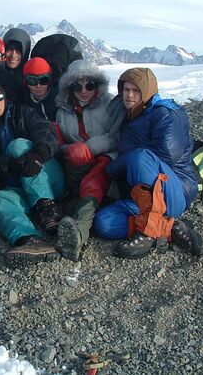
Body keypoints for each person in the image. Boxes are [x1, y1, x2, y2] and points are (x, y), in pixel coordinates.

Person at [93, 68, 203, 258]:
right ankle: (168, 227)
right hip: (142, 198)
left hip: (174, 190)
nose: (129, 95)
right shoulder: (130, 115)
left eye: (136, 91)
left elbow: (166, 155)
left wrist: (116, 166)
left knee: (139, 157)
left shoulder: (166, 114)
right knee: (103, 223)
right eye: (126, 89)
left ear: (147, 92)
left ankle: (147, 233)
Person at [0, 82, 65, 266]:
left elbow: (45, 132)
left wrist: (37, 156)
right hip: (19, 186)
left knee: (18, 145)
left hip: (49, 179)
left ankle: (48, 208)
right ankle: (29, 239)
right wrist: (13, 166)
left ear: (5, 99)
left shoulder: (24, 113)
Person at [54, 60, 125, 261]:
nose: (84, 91)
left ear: (97, 85)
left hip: (105, 159)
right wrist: (75, 150)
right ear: (70, 87)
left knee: (95, 179)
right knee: (78, 155)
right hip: (76, 165)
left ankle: (79, 231)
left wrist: (91, 148)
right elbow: (59, 144)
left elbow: (118, 136)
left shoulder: (109, 104)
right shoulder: (62, 111)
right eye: (78, 86)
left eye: (89, 85)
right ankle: (84, 201)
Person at [21, 57, 58, 121]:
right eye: (32, 81)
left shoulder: (60, 100)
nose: (38, 86)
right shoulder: (22, 101)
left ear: (49, 80)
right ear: (26, 82)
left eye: (43, 80)